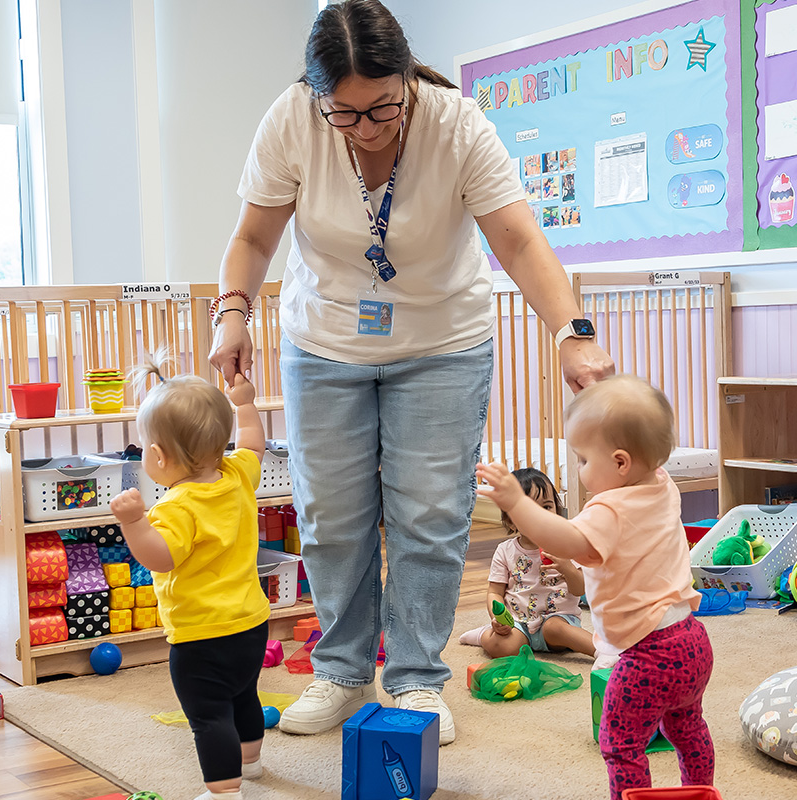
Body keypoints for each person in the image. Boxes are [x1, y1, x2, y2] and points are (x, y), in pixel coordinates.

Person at [208, 0, 614, 746]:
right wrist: (231, 313)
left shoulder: (456, 124)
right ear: (317, 95)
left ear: (407, 80)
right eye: (346, 114)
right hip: (323, 343)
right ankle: (341, 669)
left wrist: (572, 331)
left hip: (442, 345)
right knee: (331, 520)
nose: (367, 128)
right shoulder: (292, 120)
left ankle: (418, 680)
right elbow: (252, 236)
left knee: (431, 517)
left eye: (383, 107)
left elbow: (520, 241)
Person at [476, 375, 714, 798]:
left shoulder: (609, 509)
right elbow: (641, 434)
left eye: (584, 459)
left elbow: (565, 539)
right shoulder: (662, 484)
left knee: (621, 746)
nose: (580, 470)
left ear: (621, 463)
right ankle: (700, 788)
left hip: (647, 656)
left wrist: (516, 502)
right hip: (692, 642)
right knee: (688, 726)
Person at [110, 357, 269, 800]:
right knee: (243, 695)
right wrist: (245, 403)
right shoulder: (237, 474)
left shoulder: (175, 510)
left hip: (201, 634)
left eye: (144, 445)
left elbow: (159, 559)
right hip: (251, 623)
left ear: (158, 456)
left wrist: (134, 522)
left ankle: (224, 791)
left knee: (208, 714)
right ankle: (251, 762)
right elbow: (254, 443)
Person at [459, 467, 595, 661]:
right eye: (527, 510)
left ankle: (602, 651)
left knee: (556, 628)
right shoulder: (505, 551)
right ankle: (484, 635)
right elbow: (495, 592)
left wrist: (567, 567)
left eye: (546, 507)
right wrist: (498, 618)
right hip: (518, 624)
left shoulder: (567, 544)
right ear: (510, 520)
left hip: (559, 620)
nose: (538, 516)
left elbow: (579, 588)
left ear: (557, 510)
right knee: (503, 647)